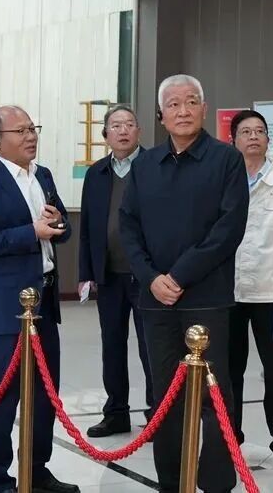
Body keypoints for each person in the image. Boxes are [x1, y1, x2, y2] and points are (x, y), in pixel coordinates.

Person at [120, 74, 249, 493]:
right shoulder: (145, 165)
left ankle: (216, 482)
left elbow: (228, 229)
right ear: (161, 115)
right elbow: (128, 227)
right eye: (173, 104)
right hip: (156, 300)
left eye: (191, 102)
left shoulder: (226, 160)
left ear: (204, 109)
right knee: (165, 397)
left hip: (207, 297)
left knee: (215, 397)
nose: (183, 111)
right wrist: (152, 278)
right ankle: (172, 482)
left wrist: (178, 275)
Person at [0, 106, 78, 493]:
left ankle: (36, 470)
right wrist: (31, 232)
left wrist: (58, 225)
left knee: (46, 393)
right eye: (21, 130)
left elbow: (61, 228)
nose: (31, 136)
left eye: (33, 128)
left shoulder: (43, 176)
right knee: (5, 395)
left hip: (44, 302)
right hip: (6, 307)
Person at [228, 109, 273, 475]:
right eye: (246, 131)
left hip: (272, 293)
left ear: (269, 140)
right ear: (233, 140)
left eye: (260, 131)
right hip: (229, 291)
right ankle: (230, 442)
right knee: (229, 372)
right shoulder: (223, 180)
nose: (253, 136)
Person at [78, 104, 154, 437]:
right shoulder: (96, 173)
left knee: (151, 347)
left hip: (148, 276)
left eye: (129, 124)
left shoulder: (155, 166)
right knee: (112, 346)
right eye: (116, 125)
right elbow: (87, 226)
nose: (123, 130)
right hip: (108, 275)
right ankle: (116, 413)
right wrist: (86, 272)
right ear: (105, 134)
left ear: (139, 131)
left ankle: (157, 413)